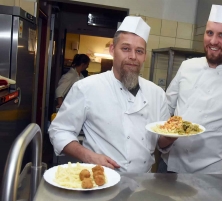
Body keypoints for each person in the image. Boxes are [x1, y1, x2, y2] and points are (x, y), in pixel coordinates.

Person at [48, 16, 175, 173]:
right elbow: (59, 131)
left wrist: (172, 136)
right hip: (100, 180)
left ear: (145, 57)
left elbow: (161, 142)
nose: (133, 56)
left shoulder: (157, 94)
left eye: (139, 51)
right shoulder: (86, 87)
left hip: (142, 185)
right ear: (112, 50)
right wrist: (88, 156)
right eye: (126, 49)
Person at [158, 5, 222, 174]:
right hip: (169, 166)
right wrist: (163, 141)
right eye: (209, 33)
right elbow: (165, 111)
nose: (213, 41)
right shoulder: (187, 66)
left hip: (209, 175)